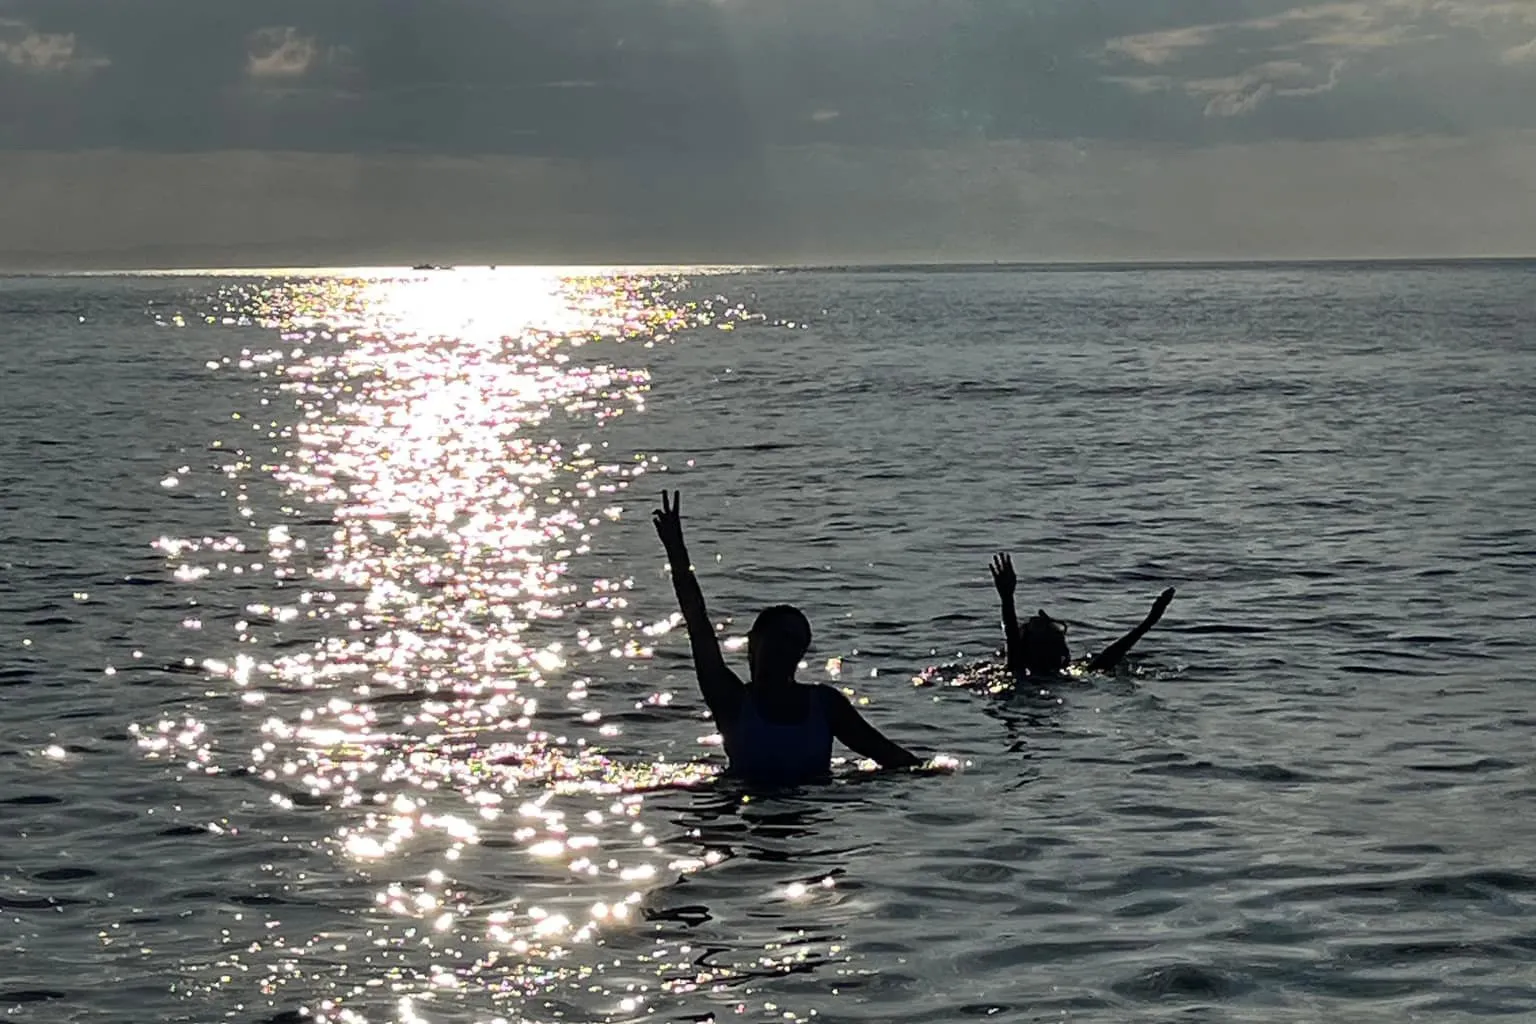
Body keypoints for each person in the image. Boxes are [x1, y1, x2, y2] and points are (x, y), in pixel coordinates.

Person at [652, 490, 923, 785]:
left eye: (795, 642)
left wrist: (933, 774)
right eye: (778, 638)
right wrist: (677, 552)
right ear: (754, 642)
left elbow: (890, 757)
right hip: (748, 802)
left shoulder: (825, 705)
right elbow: (698, 625)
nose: (785, 648)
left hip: (811, 808)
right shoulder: (731, 700)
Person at [988, 552, 1176, 682]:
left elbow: (1111, 655)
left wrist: (1007, 598)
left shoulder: (1024, 670)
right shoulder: (1026, 668)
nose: (1042, 617)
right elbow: (1111, 656)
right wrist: (1148, 622)